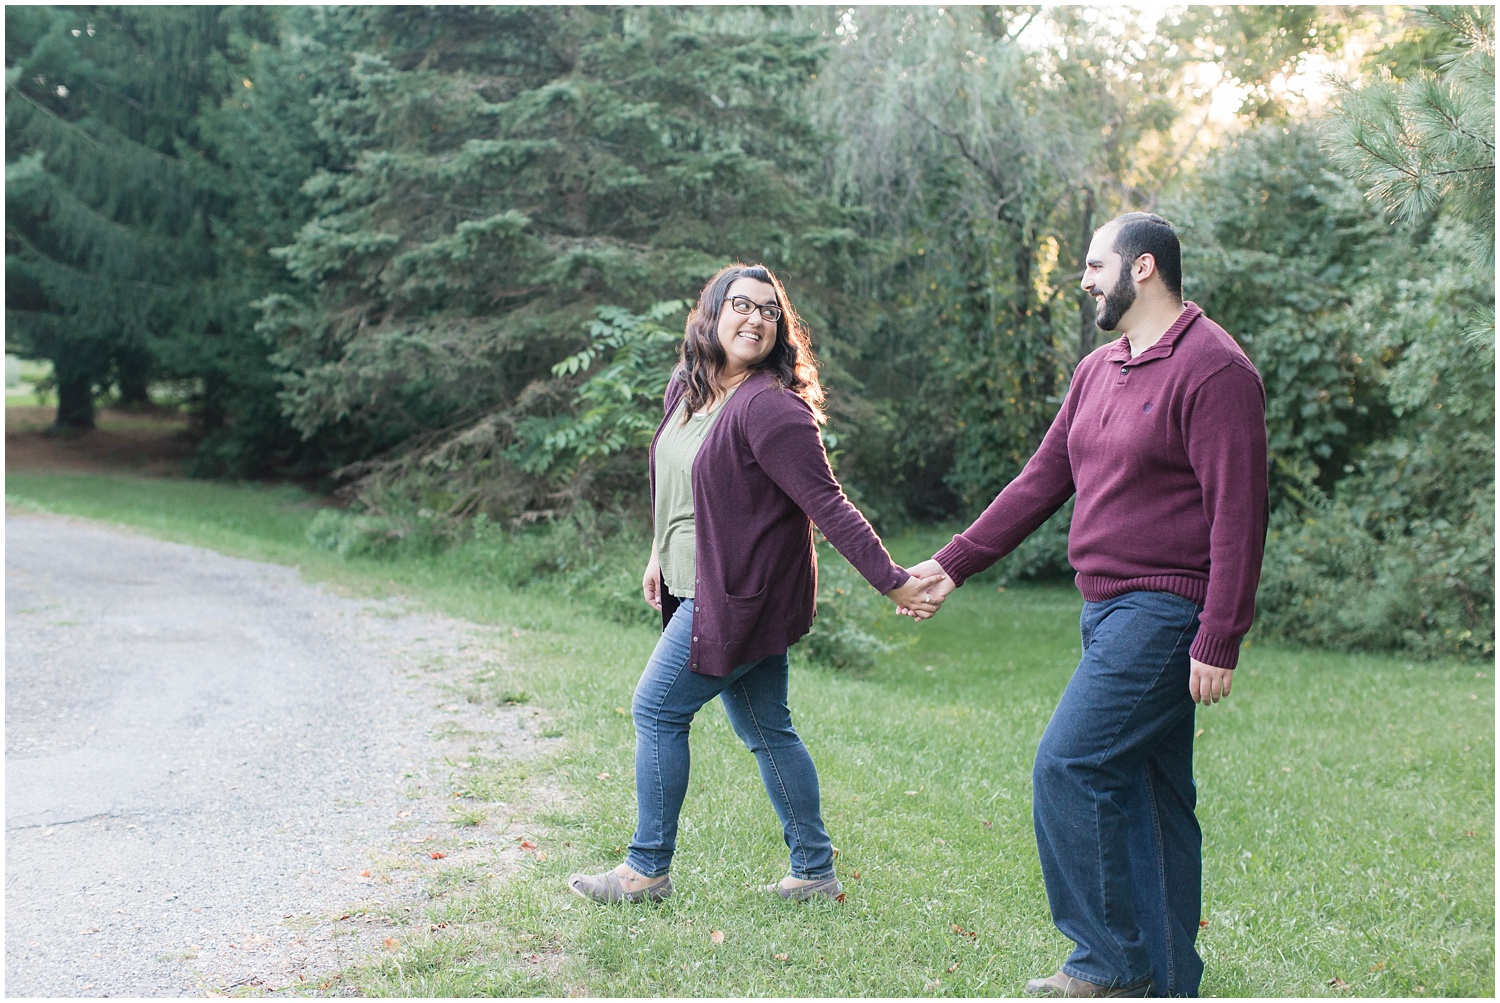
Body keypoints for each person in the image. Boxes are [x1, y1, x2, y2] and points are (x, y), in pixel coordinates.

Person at [907, 213, 1267, 998]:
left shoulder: (1215, 369)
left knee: (1069, 765)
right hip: (1105, 611)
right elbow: (1042, 479)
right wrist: (954, 561)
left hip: (1166, 612)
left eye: (1096, 264)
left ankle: (1107, 963)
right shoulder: (1098, 370)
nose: (1084, 279)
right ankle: (1168, 980)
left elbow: (1238, 511)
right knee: (1152, 795)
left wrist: (1221, 633)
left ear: (1142, 268)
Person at [567, 263, 944, 906]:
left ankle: (645, 870)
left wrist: (894, 582)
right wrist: (658, 553)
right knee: (768, 729)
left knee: (656, 708)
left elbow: (830, 507)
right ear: (711, 314)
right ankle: (815, 872)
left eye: (769, 311)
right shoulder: (687, 390)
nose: (755, 319)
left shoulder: (772, 410)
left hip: (738, 596)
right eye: (741, 305)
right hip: (700, 582)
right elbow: (677, 483)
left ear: (780, 329)